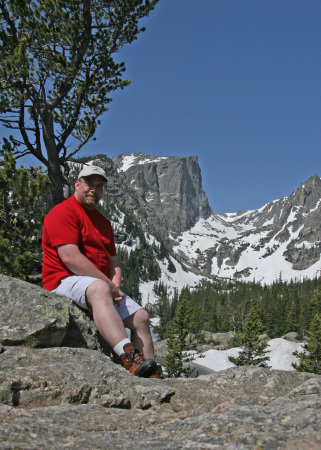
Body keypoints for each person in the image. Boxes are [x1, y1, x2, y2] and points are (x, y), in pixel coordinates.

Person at [42, 165, 162, 378]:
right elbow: (70, 258)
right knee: (98, 288)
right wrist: (108, 285)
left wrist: (115, 285)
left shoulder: (104, 222)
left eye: (99, 187)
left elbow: (113, 261)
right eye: (89, 184)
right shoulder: (62, 212)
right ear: (77, 185)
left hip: (98, 284)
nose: (93, 190)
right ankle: (128, 356)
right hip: (63, 279)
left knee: (141, 317)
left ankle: (150, 371)